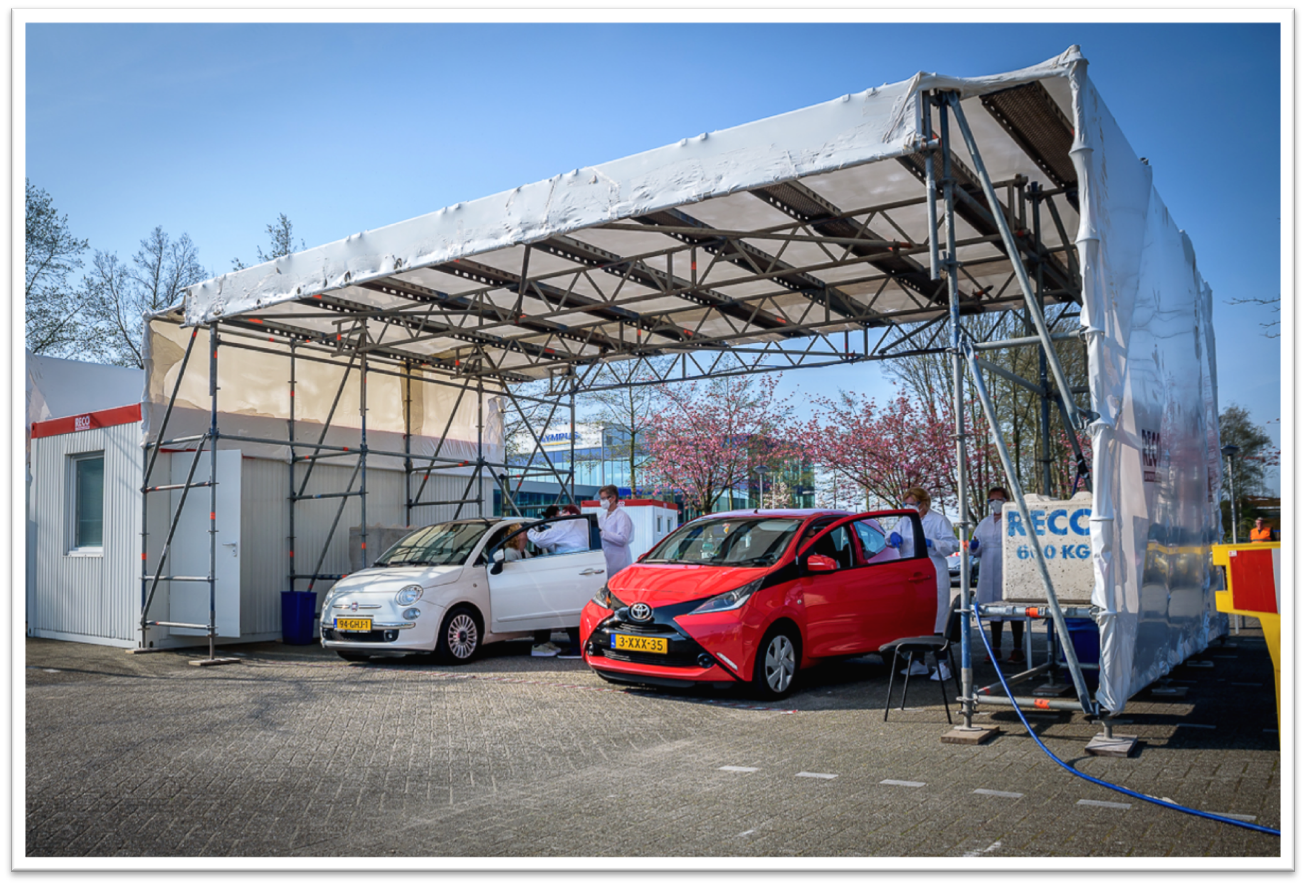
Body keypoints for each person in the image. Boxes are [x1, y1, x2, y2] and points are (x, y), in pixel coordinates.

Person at [887, 486, 959, 681]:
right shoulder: (904, 521)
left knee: (936, 617)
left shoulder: (939, 520)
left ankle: (942, 664)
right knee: (916, 617)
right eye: (906, 504)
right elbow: (889, 537)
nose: (909, 507)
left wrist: (933, 543)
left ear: (924, 503)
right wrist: (892, 537)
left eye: (914, 504)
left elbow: (953, 544)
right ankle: (918, 662)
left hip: (933, 570)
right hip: (911, 573)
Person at [970, 487, 1024, 665]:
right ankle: (995, 648)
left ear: (1007, 500)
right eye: (991, 500)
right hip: (987, 568)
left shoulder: (1015, 520)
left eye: (998, 499)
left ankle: (1018, 649)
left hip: (1009, 566)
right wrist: (973, 545)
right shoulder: (983, 523)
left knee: (1013, 609)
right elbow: (976, 550)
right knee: (993, 611)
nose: (995, 503)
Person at [597, 485, 634, 578]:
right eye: (601, 499)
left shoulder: (622, 516)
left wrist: (602, 533)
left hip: (619, 561)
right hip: (606, 559)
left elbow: (623, 538)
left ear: (613, 498)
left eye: (604, 498)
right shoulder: (602, 517)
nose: (602, 502)